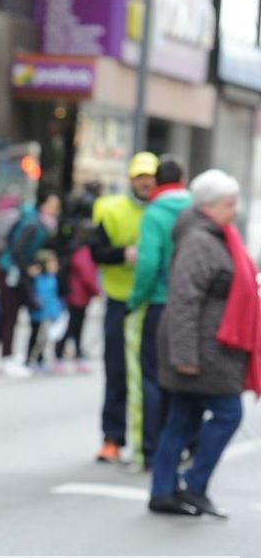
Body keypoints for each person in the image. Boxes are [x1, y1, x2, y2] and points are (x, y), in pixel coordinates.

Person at [149, 169, 260, 518]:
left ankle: (164, 491)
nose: (234, 210)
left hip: (209, 346)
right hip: (202, 349)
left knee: (183, 417)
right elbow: (183, 300)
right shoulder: (201, 240)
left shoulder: (214, 235)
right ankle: (193, 485)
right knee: (228, 413)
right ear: (210, 206)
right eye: (229, 204)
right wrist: (184, 356)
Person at [90, 151, 157, 463]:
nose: (146, 182)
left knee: (151, 375)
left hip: (153, 302)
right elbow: (96, 251)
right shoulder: (110, 209)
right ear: (130, 179)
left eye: (151, 177)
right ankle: (113, 438)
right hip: (119, 301)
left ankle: (150, 441)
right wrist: (123, 255)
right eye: (140, 177)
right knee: (116, 370)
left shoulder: (165, 210)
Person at [127, 156, 192, 470]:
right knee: (182, 378)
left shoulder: (154, 214)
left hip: (157, 304)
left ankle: (152, 452)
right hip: (190, 307)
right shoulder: (197, 210)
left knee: (151, 379)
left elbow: (148, 263)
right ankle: (180, 445)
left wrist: (135, 299)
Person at [0, 190, 61, 376]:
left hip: (15, 272)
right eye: (53, 205)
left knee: (15, 313)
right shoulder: (33, 225)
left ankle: (14, 355)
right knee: (11, 314)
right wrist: (29, 267)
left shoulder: (39, 224)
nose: (56, 210)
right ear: (44, 205)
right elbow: (17, 250)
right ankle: (6, 358)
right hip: (11, 272)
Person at [54, 219, 100, 372]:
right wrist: (96, 291)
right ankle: (60, 355)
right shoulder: (83, 252)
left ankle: (76, 355)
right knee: (73, 326)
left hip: (76, 295)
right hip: (77, 295)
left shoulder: (75, 248)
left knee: (76, 326)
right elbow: (87, 275)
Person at [26, 250, 63, 371]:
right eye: (51, 263)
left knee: (45, 338)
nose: (55, 265)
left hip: (49, 313)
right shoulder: (38, 279)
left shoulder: (52, 278)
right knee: (36, 337)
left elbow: (53, 298)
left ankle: (40, 360)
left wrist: (56, 312)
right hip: (38, 313)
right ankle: (30, 359)